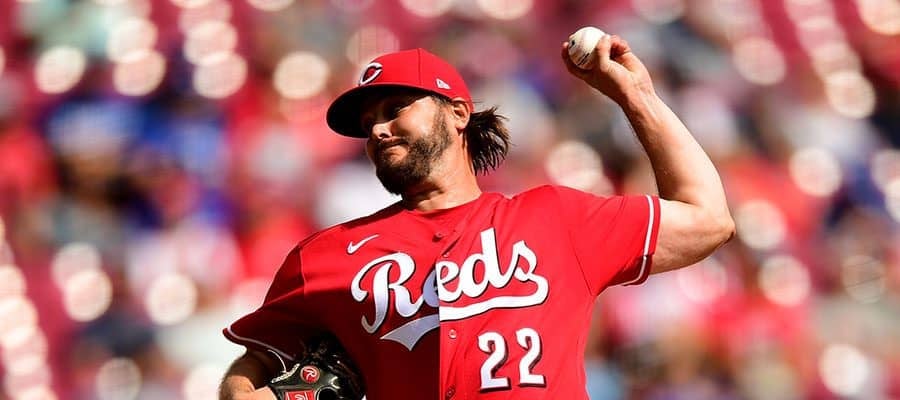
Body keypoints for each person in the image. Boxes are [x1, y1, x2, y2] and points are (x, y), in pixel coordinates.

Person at [219, 33, 735, 400]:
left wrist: (634, 95)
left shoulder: (555, 219)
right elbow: (255, 362)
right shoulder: (325, 257)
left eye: (396, 108)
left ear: (458, 112)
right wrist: (242, 394)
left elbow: (708, 219)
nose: (377, 130)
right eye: (368, 122)